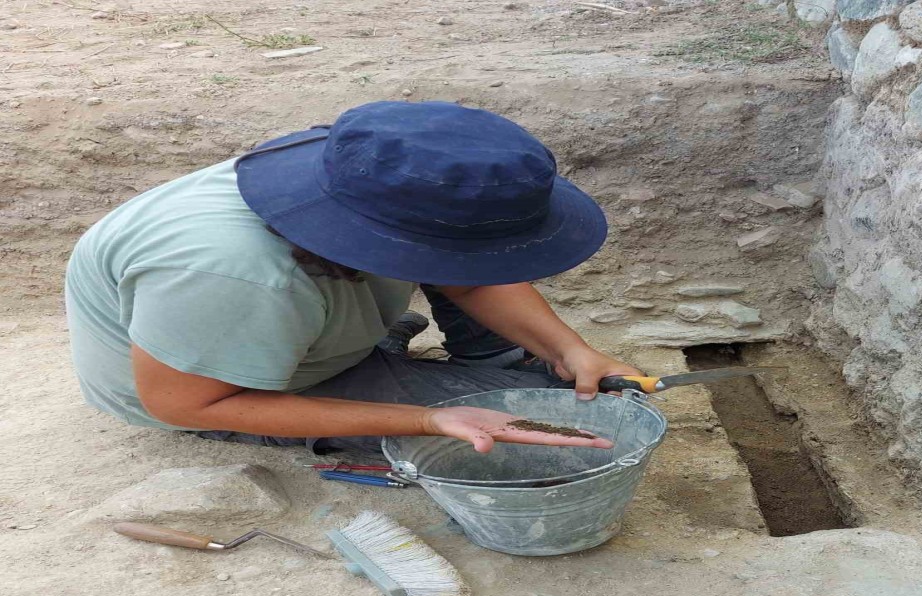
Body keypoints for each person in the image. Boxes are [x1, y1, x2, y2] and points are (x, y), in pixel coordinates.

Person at [65, 100, 640, 455]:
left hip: (260, 320)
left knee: (566, 401)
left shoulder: (377, 167)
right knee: (562, 433)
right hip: (224, 388)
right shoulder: (236, 274)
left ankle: (365, 346)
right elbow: (183, 404)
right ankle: (352, 357)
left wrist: (570, 349)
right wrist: (430, 420)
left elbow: (470, 273)